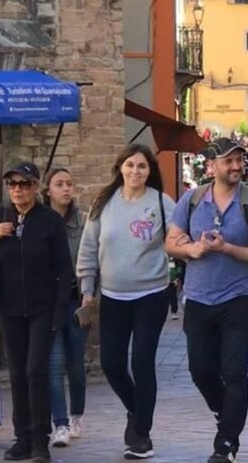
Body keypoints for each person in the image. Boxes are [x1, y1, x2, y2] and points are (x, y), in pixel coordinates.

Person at [165, 138, 248, 463]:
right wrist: (191, 249)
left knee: (235, 372)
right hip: (198, 299)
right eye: (229, 161)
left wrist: (226, 248)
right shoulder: (192, 200)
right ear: (211, 166)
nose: (236, 166)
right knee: (200, 370)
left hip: (238, 299)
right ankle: (225, 414)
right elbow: (170, 242)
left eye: (239, 160)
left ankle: (226, 445)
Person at [77, 145, 175, 459]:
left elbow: (179, 239)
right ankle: (136, 409)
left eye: (142, 166)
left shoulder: (162, 202)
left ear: (150, 171)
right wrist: (87, 288)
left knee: (142, 363)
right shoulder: (103, 203)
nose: (135, 171)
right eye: (130, 165)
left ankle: (141, 435)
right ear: (120, 167)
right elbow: (88, 247)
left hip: (152, 295)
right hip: (113, 297)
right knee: (112, 363)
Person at [0, 162, 73, 462]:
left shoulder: (49, 220)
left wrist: (59, 311)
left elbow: (64, 269)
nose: (17, 189)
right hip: (9, 308)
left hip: (42, 308)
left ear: (36, 187)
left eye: (24, 184)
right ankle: (23, 438)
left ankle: (40, 440)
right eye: (12, 184)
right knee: (18, 374)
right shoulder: (0, 215)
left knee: (35, 372)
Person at [43, 168, 88, 448]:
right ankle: (59, 424)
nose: (66, 188)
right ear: (47, 190)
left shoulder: (82, 222)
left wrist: (90, 294)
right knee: (54, 363)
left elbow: (91, 259)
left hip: (75, 300)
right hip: (48, 304)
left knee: (75, 363)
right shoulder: (39, 221)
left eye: (69, 183)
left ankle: (76, 415)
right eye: (59, 184)